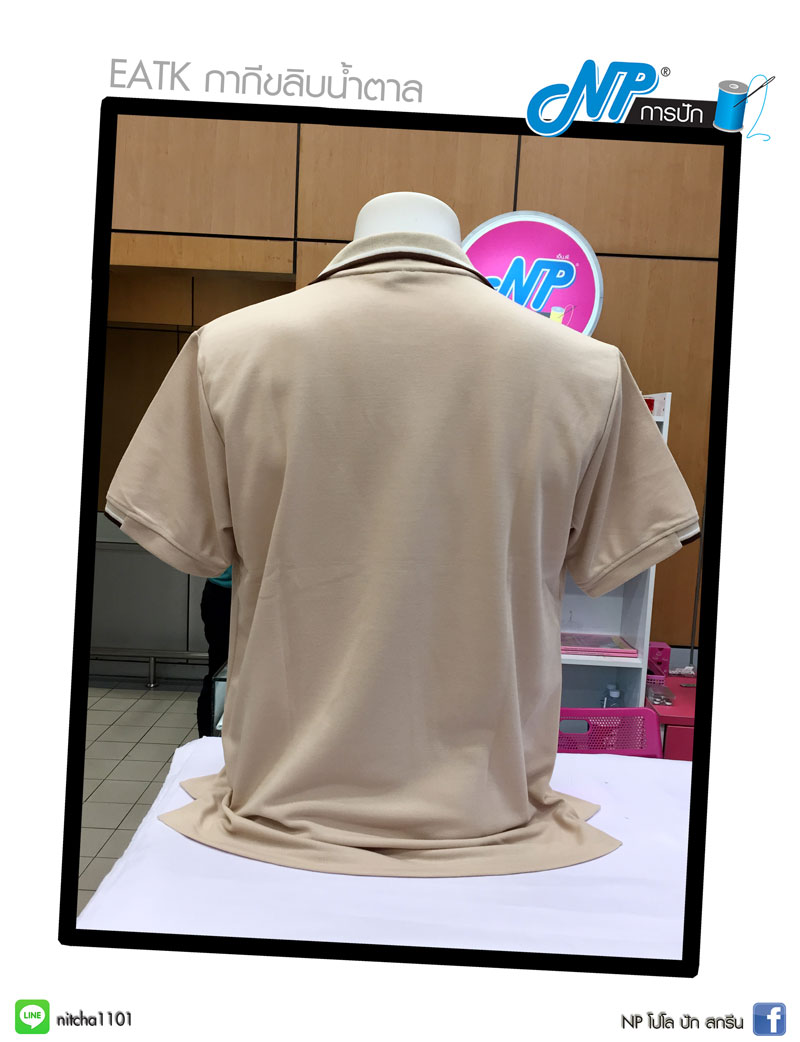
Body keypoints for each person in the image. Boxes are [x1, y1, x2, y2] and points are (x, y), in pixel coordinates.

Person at [196, 566, 232, 737]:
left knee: (219, 671)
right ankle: (209, 739)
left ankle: (209, 740)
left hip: (223, 591)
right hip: (226, 593)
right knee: (219, 674)